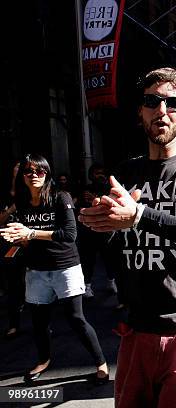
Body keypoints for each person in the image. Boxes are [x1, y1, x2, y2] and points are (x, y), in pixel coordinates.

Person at [79, 67, 176, 408]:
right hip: (137, 327)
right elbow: (114, 243)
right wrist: (98, 223)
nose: (161, 111)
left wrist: (140, 216)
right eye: (152, 101)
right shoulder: (127, 171)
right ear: (140, 111)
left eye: (172, 103)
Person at [0, 154, 109, 384]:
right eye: (28, 172)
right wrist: (18, 238)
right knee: (39, 322)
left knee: (76, 318)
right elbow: (28, 239)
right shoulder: (22, 202)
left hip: (65, 267)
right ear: (23, 177)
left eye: (39, 171)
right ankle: (44, 359)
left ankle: (101, 364)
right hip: (36, 270)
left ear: (46, 173)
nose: (34, 176)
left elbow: (69, 235)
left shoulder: (61, 197)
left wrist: (31, 233)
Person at [76, 163, 118, 299]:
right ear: (91, 175)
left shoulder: (110, 189)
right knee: (88, 259)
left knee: (110, 258)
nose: (99, 175)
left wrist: (96, 199)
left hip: (107, 230)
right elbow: (80, 209)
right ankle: (87, 285)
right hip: (89, 231)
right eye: (96, 173)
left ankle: (111, 282)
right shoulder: (85, 189)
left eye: (102, 173)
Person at [0, 161, 26, 339]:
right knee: (13, 284)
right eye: (16, 170)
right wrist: (13, 207)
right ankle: (14, 324)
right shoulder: (5, 196)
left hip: (33, 243)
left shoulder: (34, 194)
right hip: (12, 246)